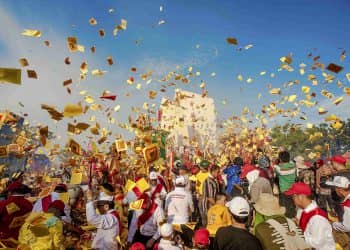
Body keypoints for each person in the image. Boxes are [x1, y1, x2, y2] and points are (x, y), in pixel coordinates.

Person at [285, 182, 335, 250]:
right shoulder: (303, 209)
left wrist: (298, 235)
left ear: (301, 197)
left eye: (293, 197)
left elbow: (317, 243)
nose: (292, 199)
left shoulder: (317, 218)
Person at [86, 184, 120, 250]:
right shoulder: (109, 216)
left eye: (98, 206)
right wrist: (93, 235)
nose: (97, 208)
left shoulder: (111, 218)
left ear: (106, 207)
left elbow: (91, 219)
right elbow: (105, 233)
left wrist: (89, 200)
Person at [275, 151, 296, 218]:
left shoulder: (278, 168)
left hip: (284, 191)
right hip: (293, 189)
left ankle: (287, 220)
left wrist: (278, 164)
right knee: (292, 206)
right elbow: (291, 162)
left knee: (285, 208)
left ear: (280, 159)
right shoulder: (293, 166)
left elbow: (277, 175)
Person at [196, 160, 210, 226]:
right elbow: (197, 185)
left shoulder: (209, 175)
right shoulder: (198, 175)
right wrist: (199, 194)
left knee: (208, 212)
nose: (200, 168)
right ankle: (204, 225)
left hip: (208, 197)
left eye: (201, 167)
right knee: (202, 212)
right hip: (201, 196)